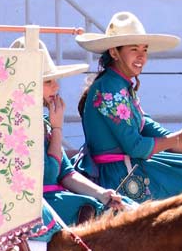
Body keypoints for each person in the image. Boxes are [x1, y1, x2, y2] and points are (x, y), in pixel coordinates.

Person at [75, 11, 182, 203]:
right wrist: (180, 137)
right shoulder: (110, 88)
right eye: (134, 49)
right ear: (114, 52)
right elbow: (136, 146)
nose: (141, 56)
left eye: (144, 50)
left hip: (131, 165)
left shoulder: (122, 86)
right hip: (120, 175)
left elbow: (162, 135)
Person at [8, 37, 126, 237]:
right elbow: (48, 174)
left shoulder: (43, 122)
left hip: (57, 198)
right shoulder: (14, 126)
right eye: (48, 81)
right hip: (35, 209)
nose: (56, 87)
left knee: (123, 206)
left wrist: (102, 193)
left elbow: (66, 174)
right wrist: (57, 128)